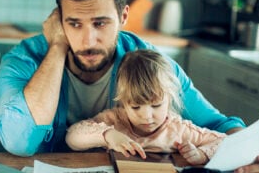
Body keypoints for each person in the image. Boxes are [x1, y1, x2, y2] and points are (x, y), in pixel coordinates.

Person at [0, 0, 259, 172]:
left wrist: (251, 153)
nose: (88, 40)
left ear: (123, 16)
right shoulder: (24, 60)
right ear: (58, 20)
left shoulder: (148, 62)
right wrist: (57, 46)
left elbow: (218, 124)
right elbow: (19, 142)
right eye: (74, 23)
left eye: (100, 23)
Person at [66, 49, 226, 165]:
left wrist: (202, 154)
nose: (147, 116)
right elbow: (72, 137)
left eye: (156, 105)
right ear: (124, 102)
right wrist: (108, 135)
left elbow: (224, 141)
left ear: (169, 100)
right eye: (136, 107)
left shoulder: (178, 130)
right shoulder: (115, 120)